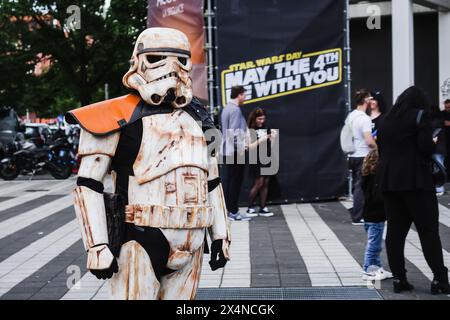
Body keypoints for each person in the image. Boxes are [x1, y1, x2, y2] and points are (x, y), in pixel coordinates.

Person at [65, 28, 230, 300]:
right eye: (157, 58)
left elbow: (211, 181)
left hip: (193, 241)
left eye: (181, 60)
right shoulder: (113, 117)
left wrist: (221, 236)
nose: (172, 68)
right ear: (138, 62)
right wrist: (97, 246)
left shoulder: (198, 119)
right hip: (139, 238)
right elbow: (88, 184)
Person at [377, 86, 450, 294]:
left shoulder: (386, 119)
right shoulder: (420, 116)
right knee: (428, 232)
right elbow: (425, 148)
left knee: (395, 233)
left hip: (390, 183)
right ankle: (439, 280)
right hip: (417, 182)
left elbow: (382, 149)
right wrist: (433, 141)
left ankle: (399, 279)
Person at [220, 86, 255, 221]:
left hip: (227, 151)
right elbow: (234, 133)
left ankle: (229, 211)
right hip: (234, 152)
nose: (245, 98)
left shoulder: (226, 108)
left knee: (229, 182)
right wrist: (242, 146)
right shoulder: (235, 110)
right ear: (239, 95)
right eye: (244, 95)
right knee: (234, 182)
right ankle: (233, 212)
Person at [361, 149, 392, 281]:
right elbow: (378, 198)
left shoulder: (366, 176)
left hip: (368, 215)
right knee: (374, 245)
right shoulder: (377, 179)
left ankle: (377, 268)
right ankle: (368, 270)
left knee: (376, 244)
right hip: (376, 216)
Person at [347, 89, 377, 225]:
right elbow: (369, 141)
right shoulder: (364, 118)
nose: (371, 100)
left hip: (353, 155)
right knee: (361, 187)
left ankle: (358, 212)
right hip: (363, 156)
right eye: (370, 98)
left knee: (357, 186)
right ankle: (358, 216)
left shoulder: (351, 115)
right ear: (365, 100)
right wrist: (378, 148)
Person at [246, 108, 277, 217]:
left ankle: (263, 207)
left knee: (265, 184)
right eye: (259, 119)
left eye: (263, 119)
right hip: (256, 159)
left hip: (267, 158)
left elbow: (271, 146)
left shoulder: (266, 128)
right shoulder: (250, 130)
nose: (262, 121)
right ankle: (249, 207)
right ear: (255, 118)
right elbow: (249, 147)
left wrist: (273, 139)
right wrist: (261, 140)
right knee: (259, 183)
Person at [431, 104, 446, 195]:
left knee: (438, 168)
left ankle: (439, 187)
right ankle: (440, 187)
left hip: (436, 148)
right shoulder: (441, 121)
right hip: (442, 148)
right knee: (440, 167)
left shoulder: (432, 122)